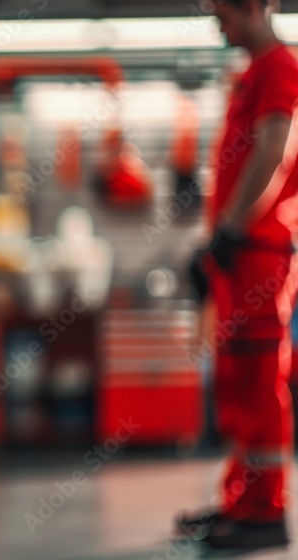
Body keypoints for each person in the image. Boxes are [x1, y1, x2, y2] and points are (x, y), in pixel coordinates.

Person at [185, 0, 298, 549]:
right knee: (236, 382)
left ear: (253, 6)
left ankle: (264, 511)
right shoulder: (255, 72)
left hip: (257, 250)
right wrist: (215, 244)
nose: (217, 24)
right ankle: (242, 500)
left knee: (256, 381)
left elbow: (273, 152)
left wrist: (230, 229)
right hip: (240, 250)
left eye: (223, 13)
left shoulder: (280, 66)